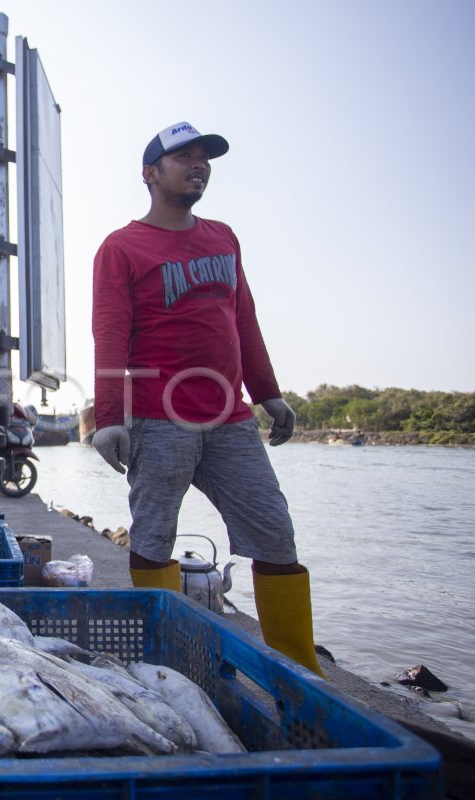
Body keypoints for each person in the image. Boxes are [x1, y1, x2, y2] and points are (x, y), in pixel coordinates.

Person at [90, 122, 323, 676]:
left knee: (275, 534)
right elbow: (110, 332)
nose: (198, 165)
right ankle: (166, 665)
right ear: (150, 174)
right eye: (183, 157)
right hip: (157, 416)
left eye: (204, 158)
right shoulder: (122, 248)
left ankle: (302, 672)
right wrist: (107, 417)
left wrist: (268, 393)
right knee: (152, 536)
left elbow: (243, 320)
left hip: (231, 419)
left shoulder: (223, 236)